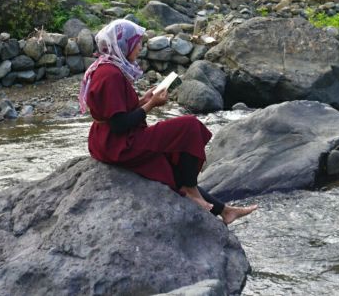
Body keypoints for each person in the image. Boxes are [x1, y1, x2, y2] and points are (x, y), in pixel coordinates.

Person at [80, 19, 258, 225]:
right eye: (136, 43)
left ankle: (225, 210)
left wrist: (142, 100)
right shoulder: (110, 74)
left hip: (107, 140)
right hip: (119, 144)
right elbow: (119, 124)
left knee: (169, 166)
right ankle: (190, 189)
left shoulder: (106, 67)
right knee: (190, 126)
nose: (140, 47)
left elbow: (113, 111)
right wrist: (151, 105)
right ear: (123, 45)